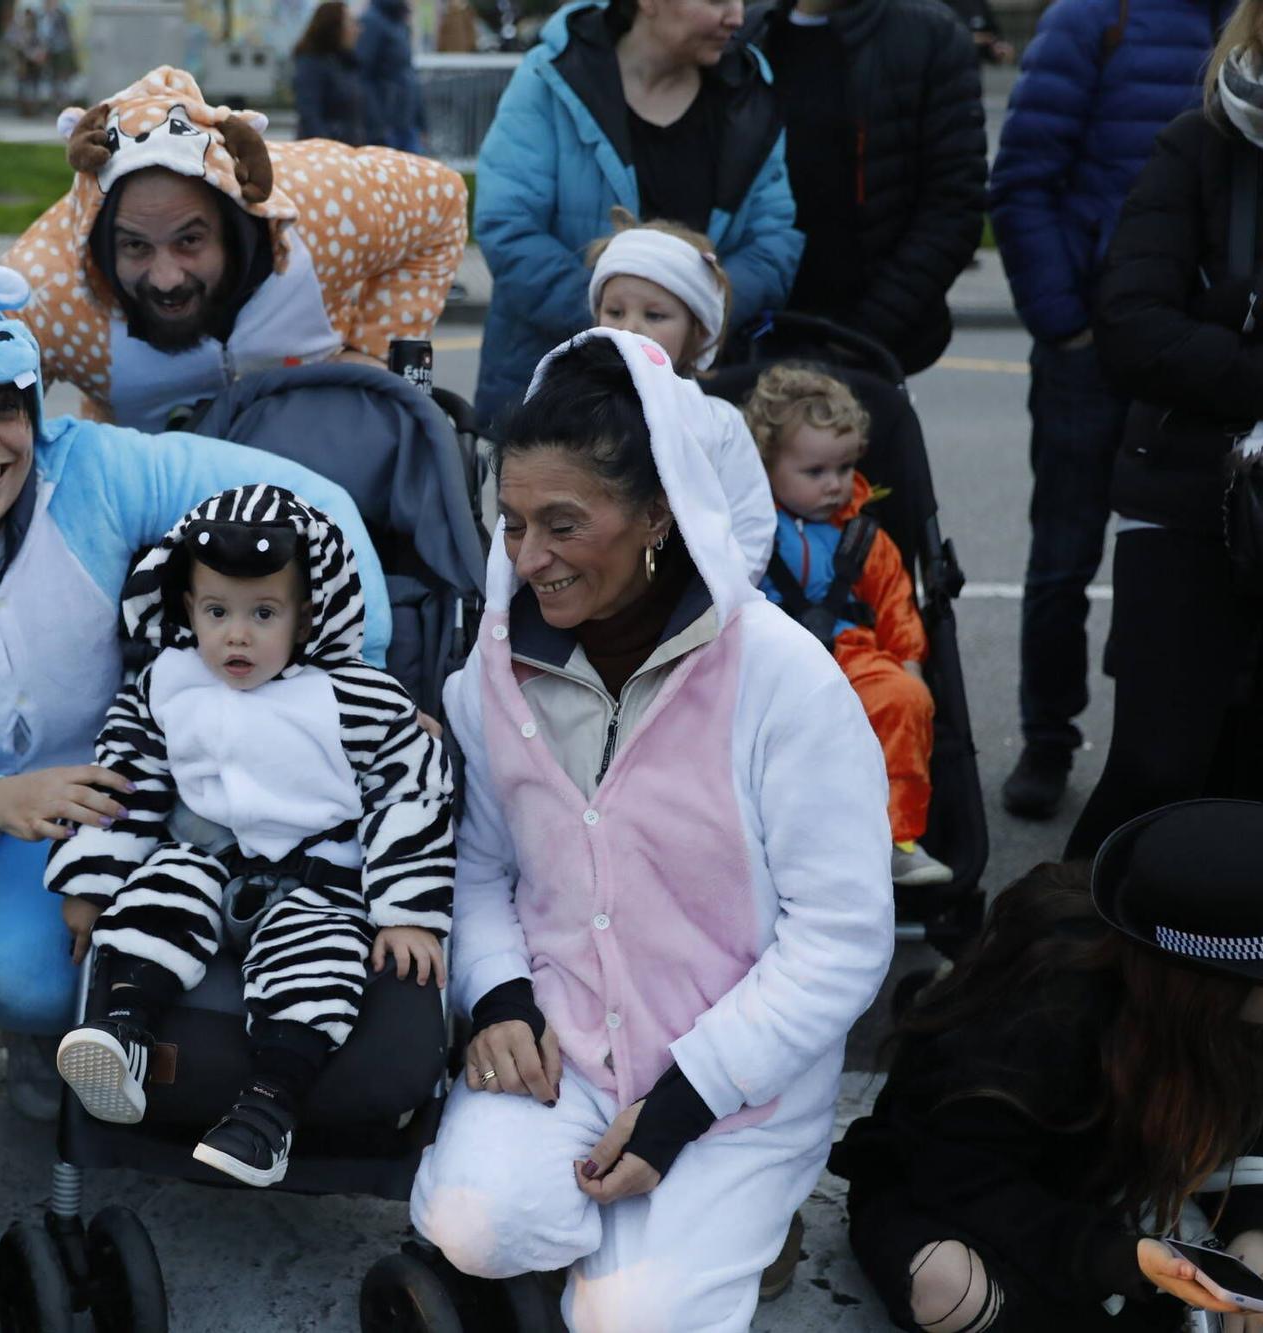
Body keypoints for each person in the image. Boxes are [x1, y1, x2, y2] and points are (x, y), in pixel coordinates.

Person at [0, 271, 394, 1117]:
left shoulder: (89, 471)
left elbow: (310, 507)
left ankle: (38, 1044)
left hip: (72, 802)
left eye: (7, 407)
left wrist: (357, 670)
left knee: (29, 976)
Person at [409, 329, 893, 1331]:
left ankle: (723, 1220)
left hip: (731, 1087)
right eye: (508, 523)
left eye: (561, 524)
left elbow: (840, 936)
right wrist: (496, 992)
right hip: (567, 1048)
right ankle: (608, 1233)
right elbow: (478, 860)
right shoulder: (491, 672)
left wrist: (683, 1102)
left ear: (657, 519)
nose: (526, 558)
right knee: (472, 1224)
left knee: (631, 1318)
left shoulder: (782, 681)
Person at [48, 485, 454, 1187]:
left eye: (263, 613)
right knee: (153, 900)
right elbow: (126, 778)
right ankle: (125, 1036)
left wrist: (407, 912)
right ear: (186, 611)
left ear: (305, 618)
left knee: (317, 961)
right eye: (216, 612)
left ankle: (268, 1113)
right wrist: (92, 881)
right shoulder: (166, 685)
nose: (237, 634)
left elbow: (411, 790)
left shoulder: (354, 698)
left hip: (317, 880)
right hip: (206, 856)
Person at [832, 803, 1263, 1332]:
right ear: (1209, 987)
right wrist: (1113, 1257)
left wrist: (1254, 1231)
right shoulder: (1045, 1020)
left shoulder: (1222, 1013)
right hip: (964, 1196)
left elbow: (1253, 1127)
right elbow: (960, 1180)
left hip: (1103, 1185)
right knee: (951, 1291)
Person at [989, 0, 1235, 820]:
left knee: (1190, 564)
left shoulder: (1241, 19)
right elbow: (1024, 175)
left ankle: (1179, 749)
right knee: (1064, 558)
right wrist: (1069, 324)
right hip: (1095, 350)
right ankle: (1047, 740)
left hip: (1202, 365)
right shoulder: (1094, 16)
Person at [0, 65, 465, 434]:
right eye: (135, 247)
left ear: (234, 225)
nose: (166, 278)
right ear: (101, 248)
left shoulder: (321, 209)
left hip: (318, 465)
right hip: (144, 490)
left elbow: (442, 199)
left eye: (190, 240)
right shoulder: (47, 288)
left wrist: (372, 353)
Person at [1067, 0, 1263, 859]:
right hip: (1189, 499)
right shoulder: (1201, 145)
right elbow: (1134, 326)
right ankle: (1079, 963)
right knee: (1159, 770)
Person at [471, 0, 803, 424]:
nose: (737, 17)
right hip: (559, 403)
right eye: (717, 0)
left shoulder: (749, 89)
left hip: (698, 404)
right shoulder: (551, 74)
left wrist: (696, 324)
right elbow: (509, 228)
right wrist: (623, 329)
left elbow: (774, 241)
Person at [746, 365, 948, 886]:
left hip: (852, 657)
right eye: (814, 473)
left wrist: (909, 665)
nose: (834, 485)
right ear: (766, 466)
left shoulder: (862, 537)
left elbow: (896, 604)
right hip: (767, 658)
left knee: (903, 700)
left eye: (843, 468)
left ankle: (896, 839)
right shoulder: (749, 527)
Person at [738, 0, 987, 376]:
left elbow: (953, 206)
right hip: (750, 344)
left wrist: (859, 338)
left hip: (868, 347)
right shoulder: (747, 31)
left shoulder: (929, 34)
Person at [583, 208, 776, 580]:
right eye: (615, 311)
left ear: (697, 332)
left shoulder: (720, 425)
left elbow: (750, 528)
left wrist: (715, 601)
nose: (630, 329)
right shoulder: (573, 409)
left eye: (655, 315)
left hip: (695, 610)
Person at [293, 2, 366, 146]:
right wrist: (328, 149)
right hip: (324, 155)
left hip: (348, 151)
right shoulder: (311, 64)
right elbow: (310, 115)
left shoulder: (347, 63)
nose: (358, 30)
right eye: (351, 23)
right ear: (335, 28)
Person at [358, 0, 426, 153]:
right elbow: (363, 76)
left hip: (407, 121)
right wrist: (376, 124)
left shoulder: (400, 22)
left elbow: (409, 75)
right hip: (386, 125)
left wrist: (421, 122)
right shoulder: (371, 22)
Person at [8, 6, 48, 118]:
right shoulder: (19, 32)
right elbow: (15, 46)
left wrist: (38, 55)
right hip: (23, 64)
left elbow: (42, 47)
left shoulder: (37, 33)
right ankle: (24, 109)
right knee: (23, 87)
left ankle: (33, 109)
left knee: (33, 88)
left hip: (34, 66)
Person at [39, 0, 77, 107]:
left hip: (61, 50)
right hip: (50, 51)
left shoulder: (60, 15)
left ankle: (64, 103)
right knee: (53, 79)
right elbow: (44, 35)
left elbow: (65, 34)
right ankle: (56, 103)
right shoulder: (43, 16)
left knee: (63, 79)